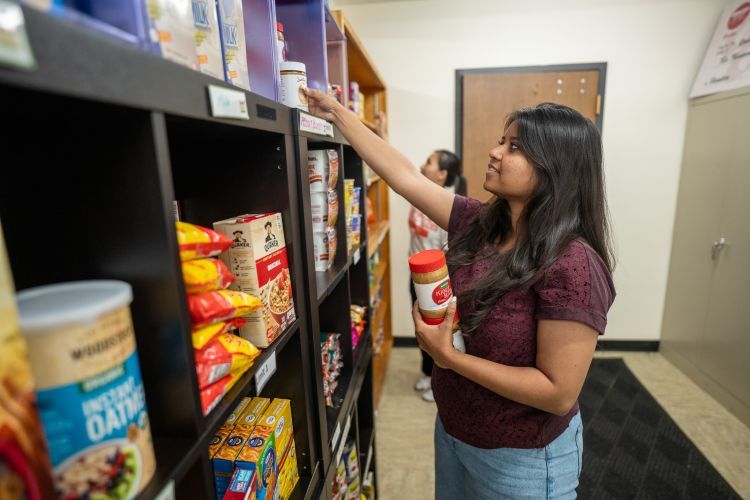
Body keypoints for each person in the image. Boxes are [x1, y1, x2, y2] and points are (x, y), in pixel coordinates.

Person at [304, 87, 616, 499]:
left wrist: (448, 358)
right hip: (455, 430)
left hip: (520, 457)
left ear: (555, 168)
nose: (494, 151)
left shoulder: (572, 263)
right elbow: (405, 177)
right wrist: (337, 115)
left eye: (515, 147)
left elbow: (558, 393)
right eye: (502, 140)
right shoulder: (481, 222)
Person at [409, 149, 466, 402]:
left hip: (436, 283)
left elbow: (453, 253)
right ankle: (428, 373)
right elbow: (400, 171)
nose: (423, 165)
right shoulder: (420, 193)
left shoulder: (450, 207)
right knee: (421, 329)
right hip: (415, 277)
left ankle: (441, 382)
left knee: (439, 332)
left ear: (442, 174)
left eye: (429, 162)